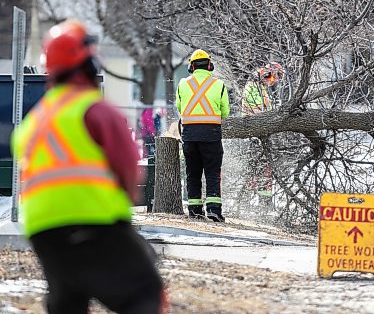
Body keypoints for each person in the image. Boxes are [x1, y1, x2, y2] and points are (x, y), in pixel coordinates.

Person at [11, 20, 168, 314]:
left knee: (68, 301)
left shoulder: (32, 123)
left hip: (42, 230)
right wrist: (123, 207)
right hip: (94, 221)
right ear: (87, 63)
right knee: (143, 294)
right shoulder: (94, 109)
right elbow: (127, 166)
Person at [176, 49, 230, 222]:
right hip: (211, 134)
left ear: (191, 66)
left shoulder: (182, 84)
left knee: (193, 173)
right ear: (209, 65)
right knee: (213, 173)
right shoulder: (219, 85)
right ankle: (214, 209)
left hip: (190, 134)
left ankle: (194, 210)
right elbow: (225, 113)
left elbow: (179, 108)